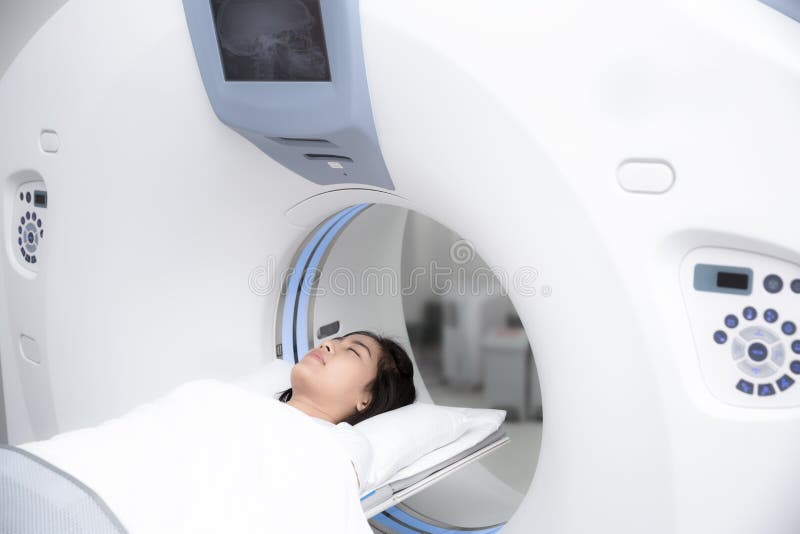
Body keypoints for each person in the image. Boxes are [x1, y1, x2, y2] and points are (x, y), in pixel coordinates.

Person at [277, 330, 417, 425]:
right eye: (336, 340)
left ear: (366, 400)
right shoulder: (259, 408)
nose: (326, 344)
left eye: (352, 351)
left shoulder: (339, 449)